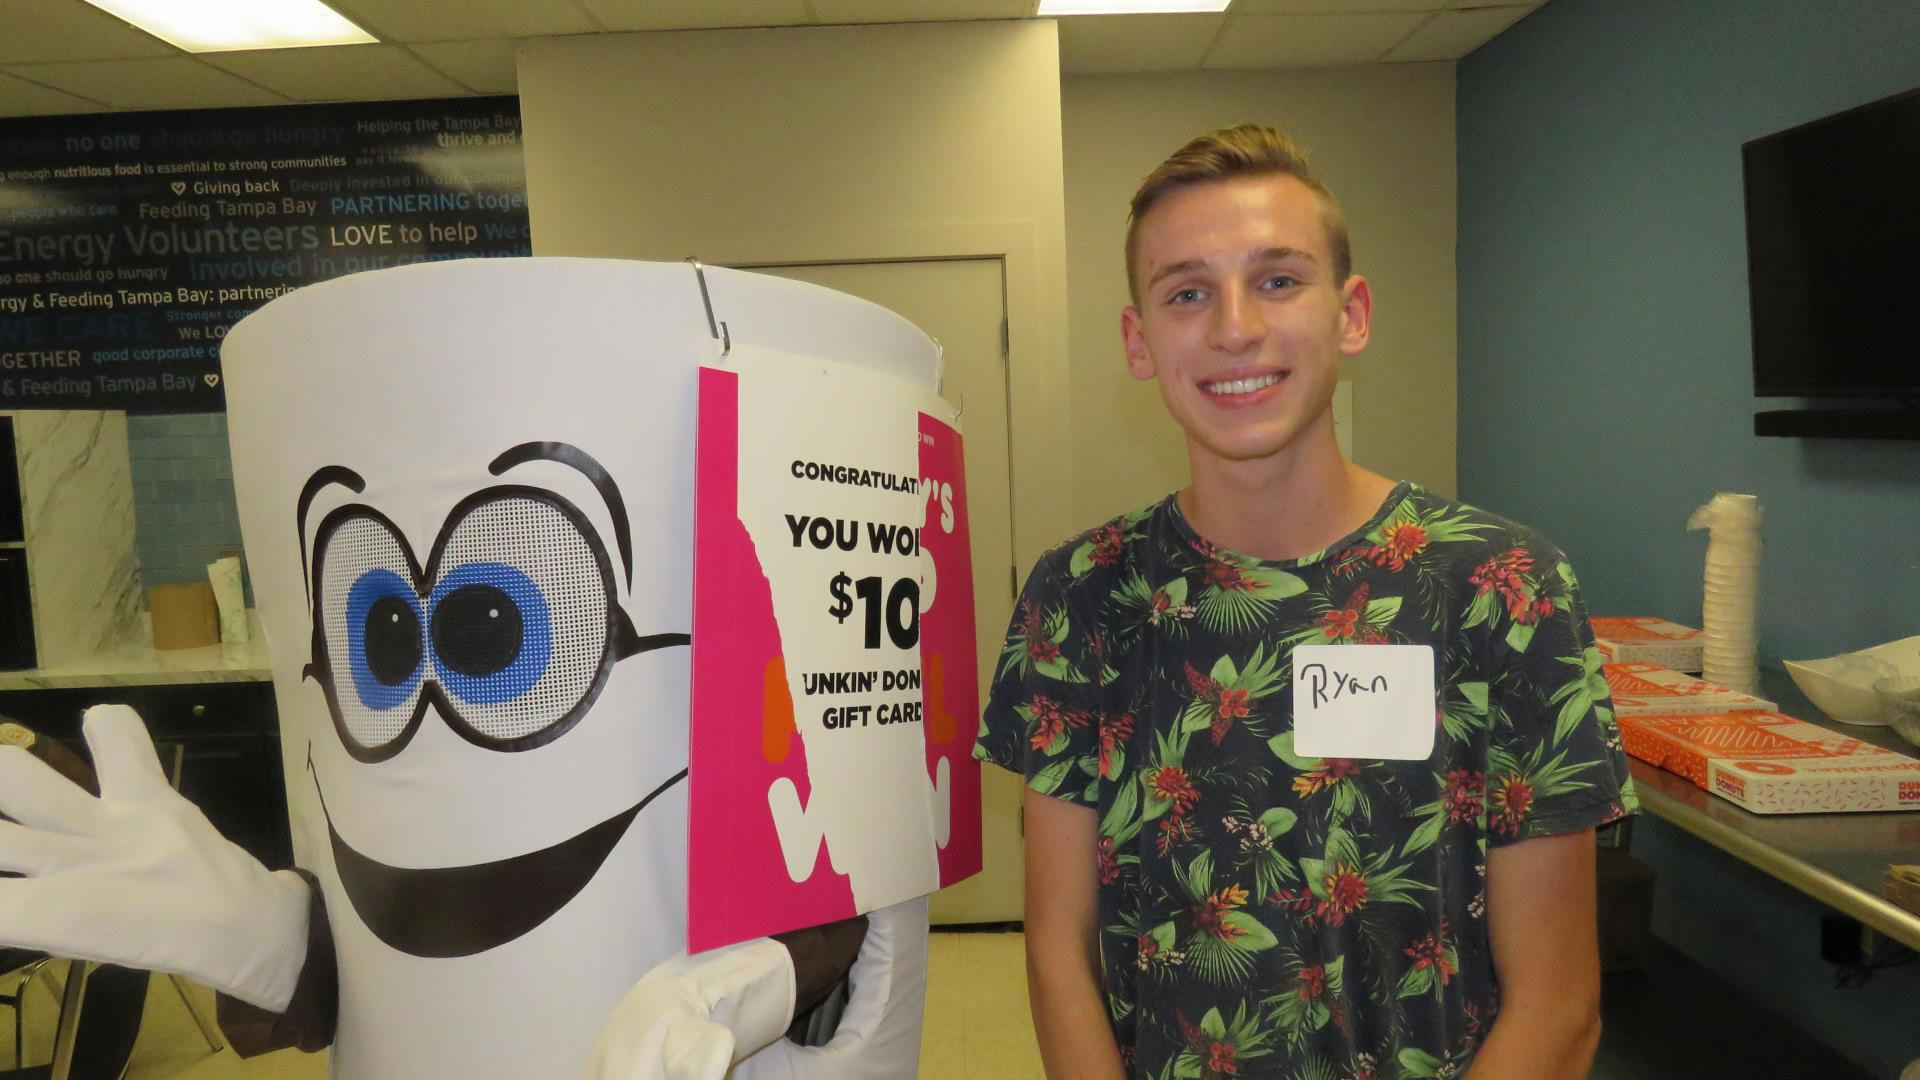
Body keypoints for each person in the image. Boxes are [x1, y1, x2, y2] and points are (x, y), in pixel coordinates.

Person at [974, 125, 1637, 1079]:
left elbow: (1558, 1006)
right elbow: (1057, 951)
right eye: (1187, 293)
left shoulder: (1502, 587)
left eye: (1278, 280)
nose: (1234, 327)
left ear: (1350, 314)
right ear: (1138, 341)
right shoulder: (1083, 596)